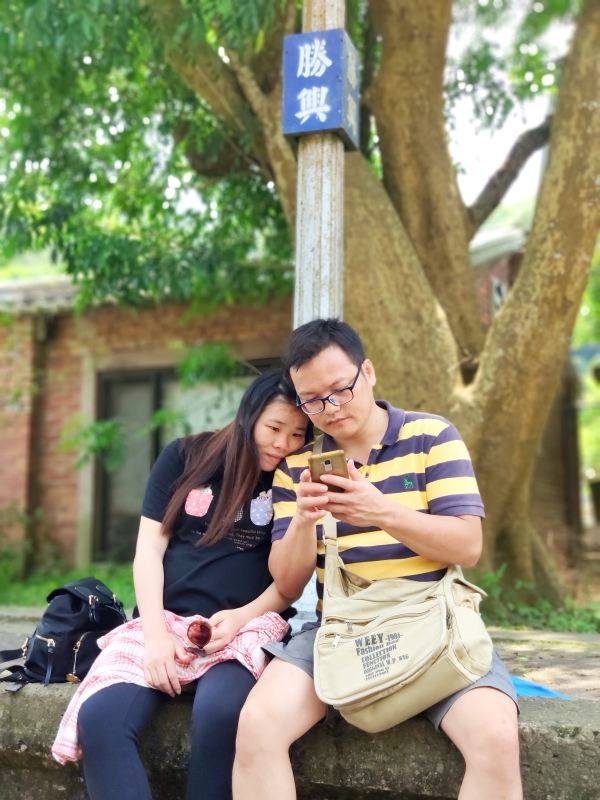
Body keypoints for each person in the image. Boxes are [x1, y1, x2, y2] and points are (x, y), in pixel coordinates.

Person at [233, 320, 522, 800]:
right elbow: (287, 581)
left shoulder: (432, 437)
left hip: (434, 619)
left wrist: (381, 511)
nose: (330, 408)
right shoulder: (297, 467)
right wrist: (303, 520)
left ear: (367, 372)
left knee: (496, 738)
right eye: (312, 401)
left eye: (340, 389)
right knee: (257, 725)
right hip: (339, 627)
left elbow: (467, 545)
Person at [76, 368, 311, 800]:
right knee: (99, 718)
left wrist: (239, 618)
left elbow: (289, 583)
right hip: (164, 621)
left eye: (298, 434)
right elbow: (149, 550)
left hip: (246, 627)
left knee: (221, 713)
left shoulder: (295, 478)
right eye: (274, 428)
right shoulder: (186, 457)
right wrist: (155, 637)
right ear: (248, 415)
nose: (283, 444)